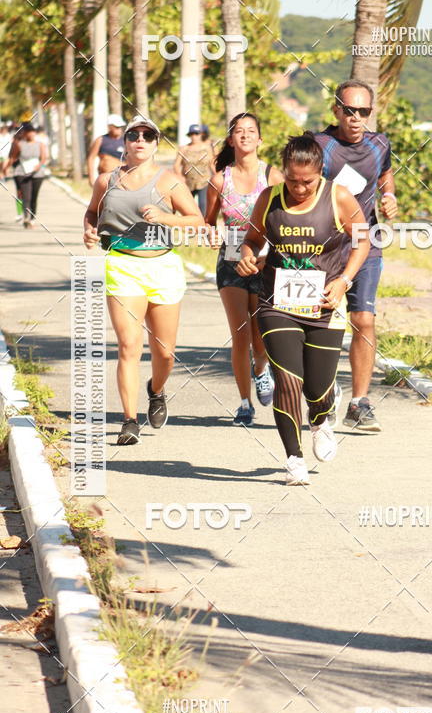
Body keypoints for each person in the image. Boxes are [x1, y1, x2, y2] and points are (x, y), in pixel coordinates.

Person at [237, 132, 370, 485]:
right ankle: (293, 459)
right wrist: (249, 257)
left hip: (325, 305)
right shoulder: (270, 198)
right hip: (276, 303)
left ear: (320, 173)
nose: (299, 189)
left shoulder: (338, 197)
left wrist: (344, 280)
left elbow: (362, 239)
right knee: (288, 379)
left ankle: (322, 417)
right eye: (293, 181)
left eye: (307, 182)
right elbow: (252, 239)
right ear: (284, 172)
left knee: (317, 386)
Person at [83, 115, 204, 445]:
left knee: (164, 353)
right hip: (122, 266)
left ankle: (156, 389)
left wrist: (165, 217)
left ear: (155, 143)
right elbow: (93, 212)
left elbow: (198, 221)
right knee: (128, 346)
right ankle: (129, 420)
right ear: (124, 141)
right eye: (133, 134)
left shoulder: (169, 181)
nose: (140, 139)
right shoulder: (107, 180)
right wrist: (90, 230)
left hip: (163, 265)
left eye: (147, 135)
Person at [314, 80, 398, 432]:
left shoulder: (380, 144)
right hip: (322, 247)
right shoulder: (320, 145)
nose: (357, 118)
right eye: (350, 110)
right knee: (319, 321)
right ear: (336, 111)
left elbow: (385, 175)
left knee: (364, 320)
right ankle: (320, 393)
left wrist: (389, 196)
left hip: (366, 243)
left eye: (364, 111)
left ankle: (359, 402)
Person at [206, 112, 283, 427]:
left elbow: (286, 217)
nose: (246, 135)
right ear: (231, 139)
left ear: (260, 139)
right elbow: (208, 220)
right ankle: (244, 403)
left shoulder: (273, 175)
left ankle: (261, 369)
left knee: (260, 332)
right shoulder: (219, 179)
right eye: (239, 131)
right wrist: (210, 232)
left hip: (266, 254)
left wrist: (275, 251)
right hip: (234, 253)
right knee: (240, 334)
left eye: (252, 130)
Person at [2, 121, 48, 228]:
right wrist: (6, 168)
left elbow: (44, 158)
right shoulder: (19, 144)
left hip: (37, 174)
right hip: (22, 172)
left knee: (34, 197)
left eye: (33, 132)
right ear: (25, 133)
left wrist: (39, 166)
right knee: (26, 196)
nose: (31, 134)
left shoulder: (40, 144)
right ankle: (26, 217)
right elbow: (13, 158)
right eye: (29, 132)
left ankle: (32, 218)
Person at [174, 123, 214, 217]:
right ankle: (190, 227)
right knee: (187, 208)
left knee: (203, 206)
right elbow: (176, 165)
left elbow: (212, 163)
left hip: (204, 181)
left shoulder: (208, 148)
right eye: (192, 134)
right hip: (188, 182)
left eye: (197, 134)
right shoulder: (184, 149)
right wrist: (180, 177)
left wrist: (217, 177)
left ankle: (203, 228)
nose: (194, 136)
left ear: (201, 134)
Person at [87, 114, 126, 186]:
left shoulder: (125, 141)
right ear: (110, 127)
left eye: (121, 127)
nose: (119, 129)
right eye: (117, 127)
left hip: (123, 179)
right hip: (106, 180)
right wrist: (91, 178)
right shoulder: (101, 140)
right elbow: (91, 158)